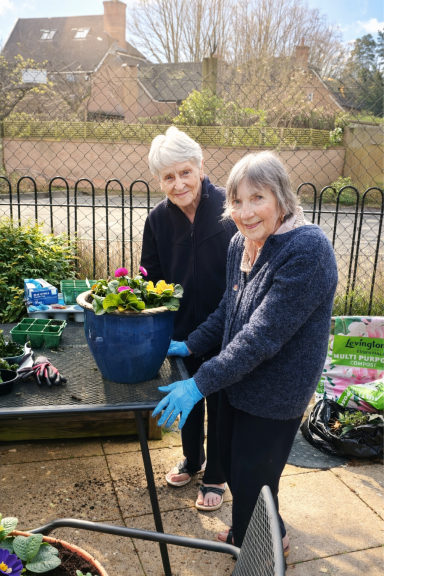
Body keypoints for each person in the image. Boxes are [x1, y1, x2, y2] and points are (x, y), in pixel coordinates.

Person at [152, 151, 337, 555]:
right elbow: (229, 310)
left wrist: (198, 383)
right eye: (236, 200)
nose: (245, 211)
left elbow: (261, 335)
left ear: (282, 199)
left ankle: (264, 550)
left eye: (258, 198)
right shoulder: (242, 242)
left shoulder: (308, 250)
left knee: (255, 476)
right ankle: (253, 532)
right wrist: (193, 343)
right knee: (240, 471)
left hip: (276, 392)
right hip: (239, 381)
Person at [140, 126, 238, 511]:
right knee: (188, 400)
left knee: (221, 401)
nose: (178, 184)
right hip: (182, 331)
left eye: (184, 172)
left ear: (200, 166)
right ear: (158, 180)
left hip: (227, 327)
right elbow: (151, 277)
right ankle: (192, 458)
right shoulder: (158, 220)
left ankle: (216, 473)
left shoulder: (230, 209)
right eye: (168, 176)